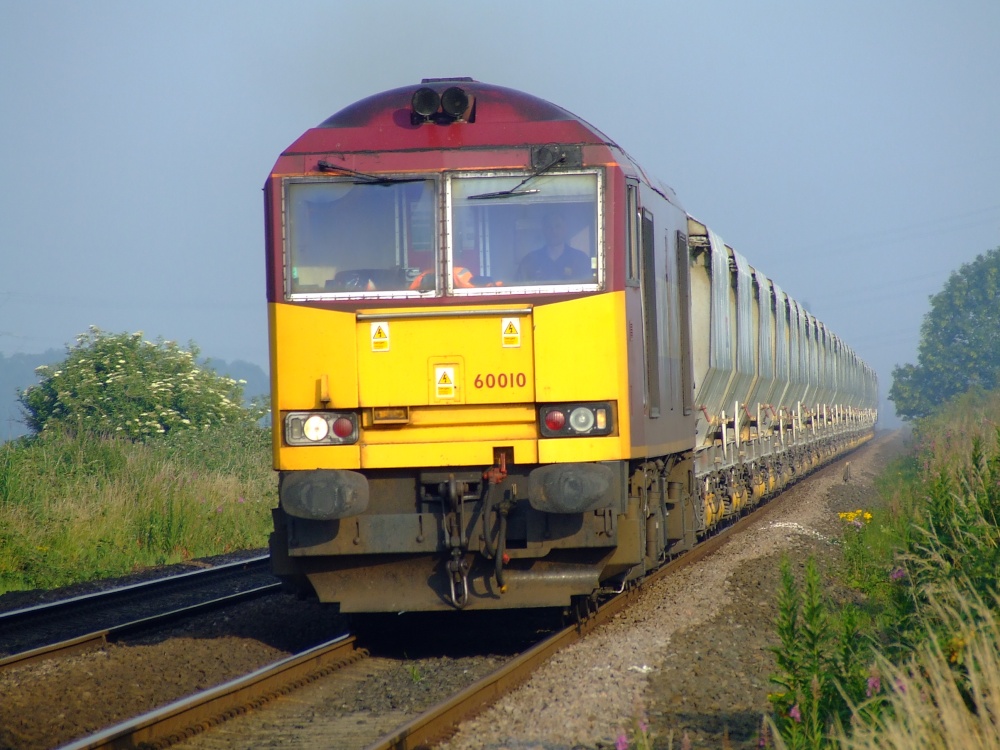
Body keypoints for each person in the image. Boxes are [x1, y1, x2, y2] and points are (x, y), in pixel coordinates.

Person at [515, 213, 593, 283]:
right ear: (543, 230)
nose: (553, 231)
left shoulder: (580, 259)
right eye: (549, 227)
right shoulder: (529, 260)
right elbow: (520, 287)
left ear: (565, 229)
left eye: (557, 226)